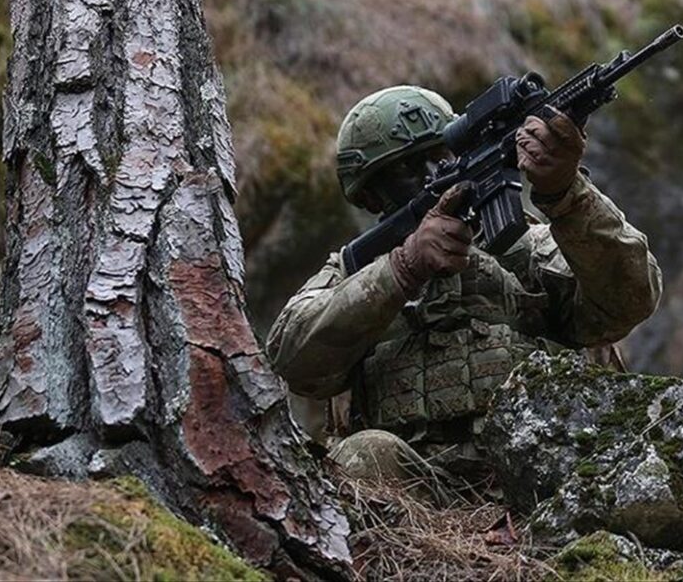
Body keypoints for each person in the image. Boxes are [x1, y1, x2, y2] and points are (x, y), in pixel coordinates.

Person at [266, 85, 661, 487]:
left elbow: (632, 297)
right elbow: (291, 359)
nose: (429, 176)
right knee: (364, 454)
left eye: (440, 157)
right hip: (416, 493)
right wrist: (403, 268)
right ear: (369, 196)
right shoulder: (355, 271)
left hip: (541, 479)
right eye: (405, 169)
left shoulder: (533, 245)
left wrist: (565, 193)